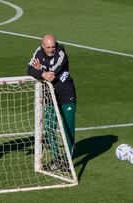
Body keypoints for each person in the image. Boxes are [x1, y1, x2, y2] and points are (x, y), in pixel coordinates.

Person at [28, 34, 76, 169]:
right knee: (49, 127)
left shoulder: (61, 54)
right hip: (50, 96)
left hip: (66, 96)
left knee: (67, 129)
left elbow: (51, 76)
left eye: (53, 46)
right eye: (48, 47)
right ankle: (56, 159)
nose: (51, 50)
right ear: (43, 46)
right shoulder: (38, 52)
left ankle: (68, 160)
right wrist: (41, 73)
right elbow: (29, 69)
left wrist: (40, 70)